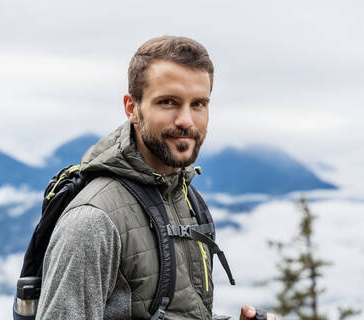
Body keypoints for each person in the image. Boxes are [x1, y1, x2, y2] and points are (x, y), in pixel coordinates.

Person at [36, 35, 274, 320]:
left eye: (198, 104)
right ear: (132, 108)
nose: (186, 120)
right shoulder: (94, 220)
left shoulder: (186, 198)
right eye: (169, 102)